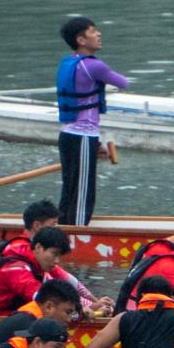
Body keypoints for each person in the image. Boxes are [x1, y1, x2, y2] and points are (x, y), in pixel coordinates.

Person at [56, 16, 129, 223]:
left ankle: (63, 231)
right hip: (83, 135)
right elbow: (124, 83)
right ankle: (77, 236)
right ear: (81, 40)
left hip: (68, 135)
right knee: (83, 194)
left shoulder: (68, 62)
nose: (98, 34)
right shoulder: (94, 66)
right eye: (92, 31)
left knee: (69, 190)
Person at [0, 220, 96, 315]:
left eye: (60, 256)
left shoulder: (38, 261)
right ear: (38, 247)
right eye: (54, 254)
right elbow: (44, 298)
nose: (57, 261)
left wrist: (94, 303)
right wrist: (79, 310)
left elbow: (64, 284)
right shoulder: (16, 269)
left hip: (10, 316)